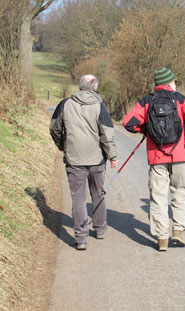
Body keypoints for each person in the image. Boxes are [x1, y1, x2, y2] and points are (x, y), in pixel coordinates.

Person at [123, 68, 185, 252]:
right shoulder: (180, 98)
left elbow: (129, 123)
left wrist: (146, 130)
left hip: (156, 155)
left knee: (158, 196)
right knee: (181, 192)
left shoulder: (147, 101)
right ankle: (178, 230)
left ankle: (161, 237)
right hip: (180, 155)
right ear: (169, 82)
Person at [50, 74, 118, 250]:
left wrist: (62, 146)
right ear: (95, 87)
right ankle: (100, 228)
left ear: (80, 86)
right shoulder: (99, 106)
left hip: (74, 159)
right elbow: (107, 133)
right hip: (97, 159)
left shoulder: (65, 104)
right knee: (98, 193)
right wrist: (112, 156)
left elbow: (54, 128)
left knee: (78, 198)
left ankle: (81, 238)